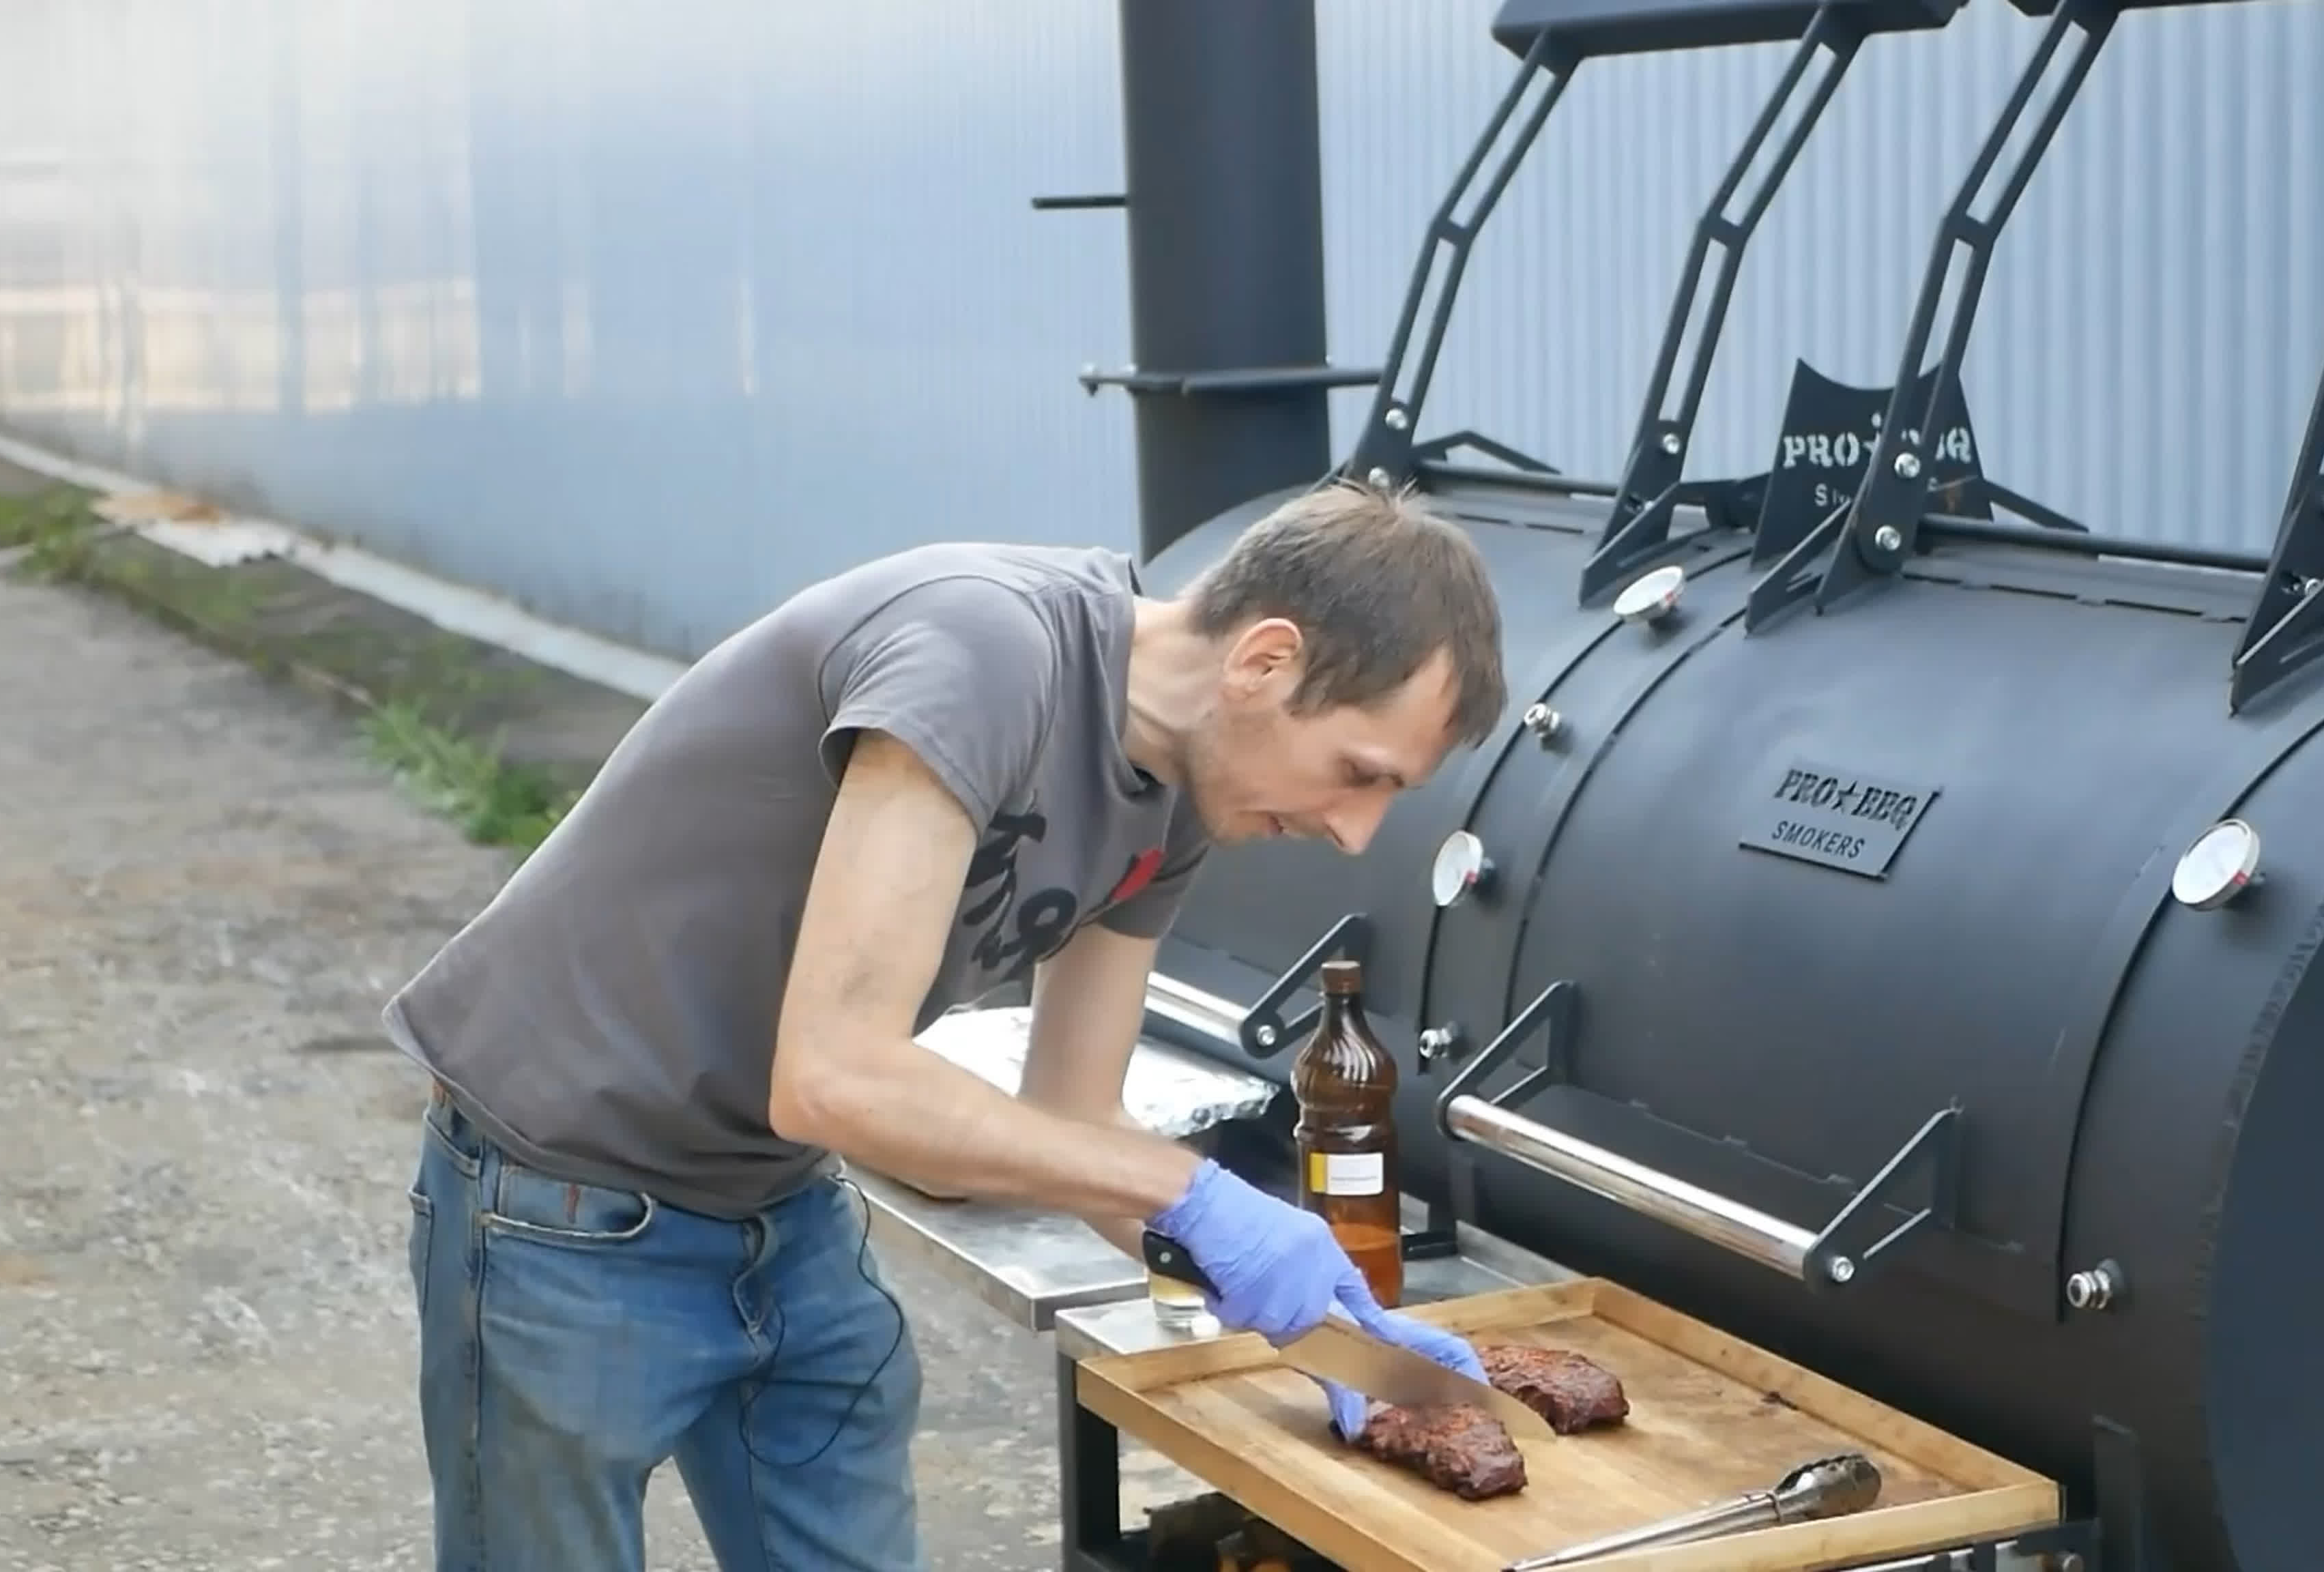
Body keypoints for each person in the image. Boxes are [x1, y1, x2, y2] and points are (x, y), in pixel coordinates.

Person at [383, 478, 1511, 1571]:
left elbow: (1076, 1117)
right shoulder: (985, 654)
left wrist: (1312, 1323)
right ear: (1264, 661)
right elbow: (834, 1078)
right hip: (556, 1203)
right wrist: (1190, 1193)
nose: (1357, 834)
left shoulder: (1182, 795)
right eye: (1360, 775)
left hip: (773, 1202)